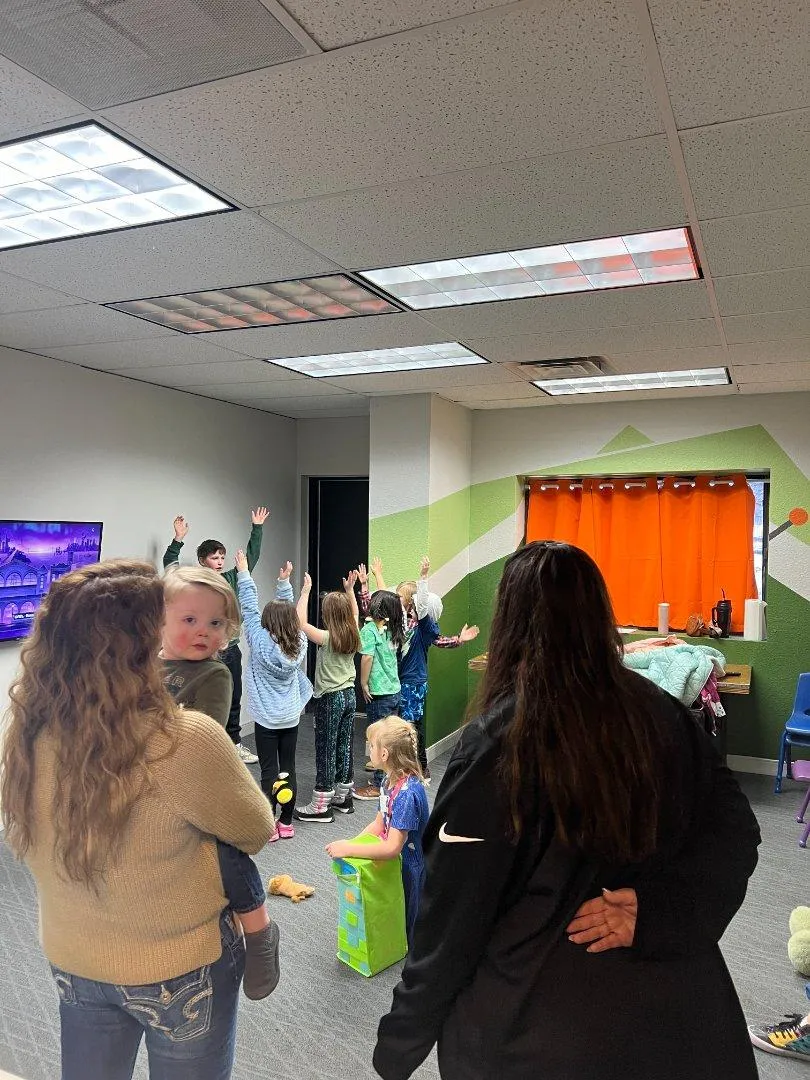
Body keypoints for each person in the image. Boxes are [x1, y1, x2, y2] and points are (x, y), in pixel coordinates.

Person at [373, 541, 761, 1080]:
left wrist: (399, 1043)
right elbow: (736, 832)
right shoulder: (662, 712)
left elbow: (451, 917)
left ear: (510, 625)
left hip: (535, 1031)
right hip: (678, 1027)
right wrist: (665, 911)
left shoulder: (498, 744)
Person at [0, 560, 275, 1080]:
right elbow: (255, 829)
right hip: (179, 968)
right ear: (143, 641)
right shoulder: (183, 738)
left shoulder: (28, 733)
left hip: (74, 957)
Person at [162, 564, 280, 1000]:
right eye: (190, 619)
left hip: (204, 778)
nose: (203, 631)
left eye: (215, 623)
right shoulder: (142, 665)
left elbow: (201, 735)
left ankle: (259, 929)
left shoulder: (212, 674)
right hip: (157, 784)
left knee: (225, 848)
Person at [163, 506, 269, 763]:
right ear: (203, 561)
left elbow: (250, 559)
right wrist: (178, 539)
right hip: (202, 651)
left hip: (229, 649)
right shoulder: (195, 581)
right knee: (198, 697)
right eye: (214, 558)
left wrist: (257, 529)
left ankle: (233, 744)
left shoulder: (231, 578)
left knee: (233, 696)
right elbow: (170, 566)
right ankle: (199, 746)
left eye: (222, 557)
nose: (220, 561)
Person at [326, 717, 429, 944]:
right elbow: (379, 824)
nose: (369, 749)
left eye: (371, 745)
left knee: (410, 923)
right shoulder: (388, 782)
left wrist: (349, 849)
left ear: (384, 754)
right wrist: (352, 845)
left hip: (411, 865)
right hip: (397, 862)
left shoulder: (406, 794)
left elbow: (392, 847)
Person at [376, 555, 479, 781]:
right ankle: (411, 766)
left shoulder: (423, 624)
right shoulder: (405, 623)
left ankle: (419, 768)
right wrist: (378, 576)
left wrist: (423, 578)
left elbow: (427, 617)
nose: (398, 603)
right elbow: (387, 603)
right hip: (404, 682)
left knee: (410, 728)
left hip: (412, 683)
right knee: (406, 725)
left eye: (402, 599)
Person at [235, 551, 312, 839]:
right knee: (288, 768)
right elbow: (288, 616)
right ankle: (287, 823)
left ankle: (269, 824)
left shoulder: (259, 640)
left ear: (266, 622)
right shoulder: (299, 641)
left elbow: (249, 607)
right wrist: (284, 584)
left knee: (269, 770)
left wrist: (244, 572)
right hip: (290, 716)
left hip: (266, 719)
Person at [294, 569, 362, 822]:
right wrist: (350, 592)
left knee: (326, 748)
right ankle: (343, 797)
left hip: (330, 699)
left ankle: (321, 804)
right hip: (349, 696)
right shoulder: (354, 632)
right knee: (344, 746)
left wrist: (305, 592)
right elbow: (355, 614)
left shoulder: (327, 637)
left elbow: (300, 623)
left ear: (328, 615)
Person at [355, 590, 407, 801]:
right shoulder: (393, 628)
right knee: (391, 738)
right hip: (394, 690)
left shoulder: (369, 630)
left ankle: (378, 785)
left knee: (378, 739)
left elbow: (367, 658)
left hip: (378, 693)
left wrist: (363, 683)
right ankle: (391, 779)